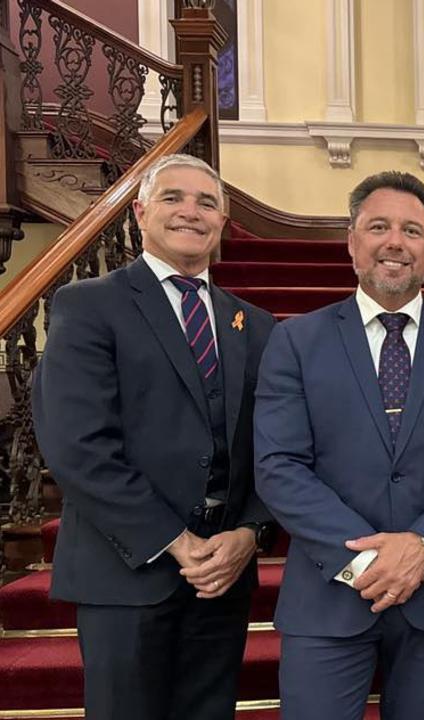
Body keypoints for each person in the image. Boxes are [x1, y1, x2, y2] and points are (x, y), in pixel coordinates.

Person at [253, 171, 424, 720]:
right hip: (329, 591)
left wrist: (421, 547)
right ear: (352, 241)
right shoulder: (296, 340)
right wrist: (371, 559)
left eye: (412, 230)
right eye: (379, 226)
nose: (395, 242)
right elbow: (279, 467)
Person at [32, 153, 276, 720]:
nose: (190, 211)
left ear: (223, 221)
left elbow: (275, 444)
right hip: (127, 571)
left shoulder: (254, 325)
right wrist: (177, 541)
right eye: (173, 198)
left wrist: (249, 531)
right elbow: (78, 447)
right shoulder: (89, 305)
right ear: (140, 212)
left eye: (207, 202)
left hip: (224, 576)